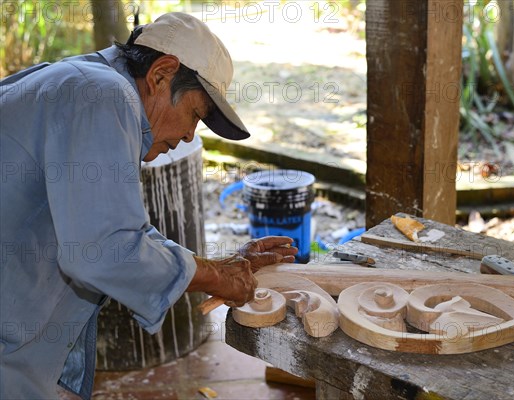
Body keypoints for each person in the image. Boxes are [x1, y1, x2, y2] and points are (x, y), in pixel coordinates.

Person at [0, 12, 297, 399]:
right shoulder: (103, 94)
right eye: (195, 114)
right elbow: (102, 250)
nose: (189, 134)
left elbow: (114, 227)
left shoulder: (83, 80)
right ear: (160, 74)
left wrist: (216, 266)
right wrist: (212, 277)